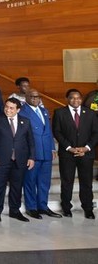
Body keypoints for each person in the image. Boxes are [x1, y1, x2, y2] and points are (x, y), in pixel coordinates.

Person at [52, 89, 98, 219]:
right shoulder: (60, 113)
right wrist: (69, 148)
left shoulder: (90, 113)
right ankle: (66, 208)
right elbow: (57, 132)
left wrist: (86, 148)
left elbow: (96, 133)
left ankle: (88, 208)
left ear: (81, 99)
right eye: (72, 98)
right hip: (67, 154)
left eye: (78, 98)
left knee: (86, 183)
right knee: (67, 182)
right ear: (67, 99)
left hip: (86, 154)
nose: (75, 100)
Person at [0, 98, 35, 222]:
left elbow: (30, 141)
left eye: (11, 108)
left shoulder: (25, 122)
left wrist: (31, 157)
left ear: (18, 110)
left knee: (17, 187)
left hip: (20, 160)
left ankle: (14, 211)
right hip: (1, 159)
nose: (8, 110)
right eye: (6, 107)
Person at [19, 89, 61, 219]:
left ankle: (43, 206)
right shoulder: (23, 112)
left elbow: (48, 131)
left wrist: (52, 148)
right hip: (33, 153)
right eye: (32, 97)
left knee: (44, 182)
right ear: (26, 97)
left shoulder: (44, 110)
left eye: (37, 97)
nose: (35, 99)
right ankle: (32, 208)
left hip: (46, 151)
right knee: (30, 181)